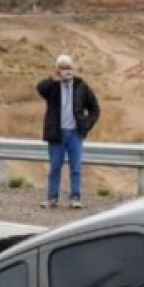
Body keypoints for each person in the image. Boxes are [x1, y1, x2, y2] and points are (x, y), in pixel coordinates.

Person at [35, 54, 100, 210]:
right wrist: (54, 78)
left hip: (75, 134)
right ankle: (52, 198)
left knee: (75, 168)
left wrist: (86, 125)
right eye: (62, 68)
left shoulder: (81, 87)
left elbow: (95, 108)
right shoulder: (52, 87)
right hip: (57, 134)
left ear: (73, 69)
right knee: (55, 167)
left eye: (68, 68)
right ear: (58, 69)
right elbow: (40, 88)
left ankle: (75, 198)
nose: (66, 71)